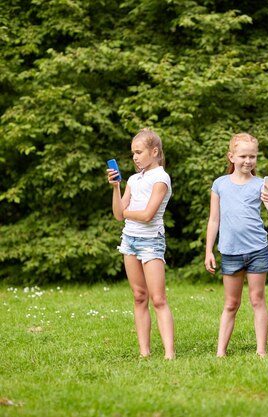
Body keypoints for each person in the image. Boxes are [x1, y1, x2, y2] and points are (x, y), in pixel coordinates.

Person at [205, 133, 268, 357]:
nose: (248, 161)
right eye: (243, 156)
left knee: (258, 300)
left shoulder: (261, 185)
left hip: (257, 249)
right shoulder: (220, 184)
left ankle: (261, 351)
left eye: (252, 156)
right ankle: (221, 352)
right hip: (230, 251)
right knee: (231, 304)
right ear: (231, 156)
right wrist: (209, 250)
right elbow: (214, 220)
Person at [107, 128, 175, 359]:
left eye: (139, 152)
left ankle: (169, 353)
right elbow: (118, 214)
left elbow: (148, 215)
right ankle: (144, 352)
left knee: (158, 299)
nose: (134, 157)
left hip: (151, 241)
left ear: (154, 151)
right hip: (130, 241)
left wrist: (127, 212)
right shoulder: (134, 180)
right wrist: (116, 188)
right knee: (139, 296)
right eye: (133, 153)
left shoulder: (161, 178)